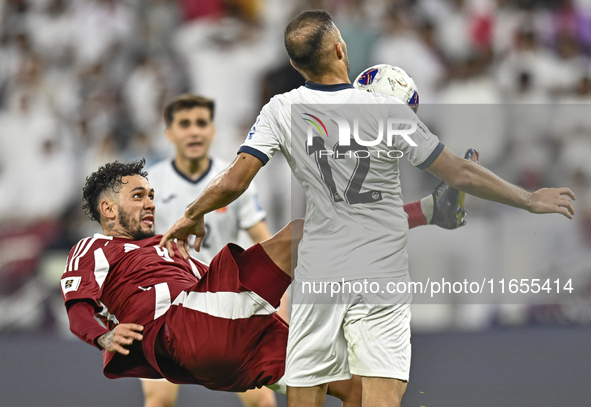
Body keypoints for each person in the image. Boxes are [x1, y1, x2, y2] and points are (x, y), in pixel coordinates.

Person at [158, 10, 576, 407]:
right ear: (341, 49)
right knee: (379, 396)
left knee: (307, 394)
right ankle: (433, 209)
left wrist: (192, 213)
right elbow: (462, 173)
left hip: (318, 279)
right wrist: (529, 199)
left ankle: (432, 209)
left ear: (294, 63)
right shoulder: (388, 111)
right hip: (380, 278)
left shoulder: (280, 110)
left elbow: (233, 180)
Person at [60, 160, 361, 406]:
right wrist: (103, 337)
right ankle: (383, 217)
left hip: (224, 347)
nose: (150, 203)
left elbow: (216, 290)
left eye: (151, 195)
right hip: (179, 329)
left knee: (353, 388)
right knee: (298, 234)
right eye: (138, 196)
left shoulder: (171, 247)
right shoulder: (94, 247)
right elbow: (77, 307)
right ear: (109, 209)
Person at [144, 95, 278, 407]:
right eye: (185, 124)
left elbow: (263, 240)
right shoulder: (151, 184)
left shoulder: (234, 181)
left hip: (225, 304)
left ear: (213, 130)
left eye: (201, 123)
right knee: (159, 398)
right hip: (169, 305)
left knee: (261, 399)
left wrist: (276, 303)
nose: (194, 132)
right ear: (169, 133)